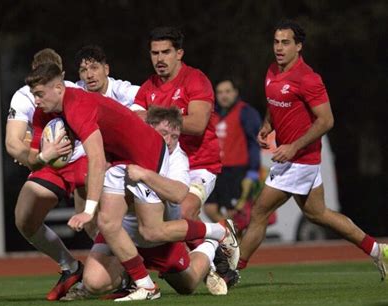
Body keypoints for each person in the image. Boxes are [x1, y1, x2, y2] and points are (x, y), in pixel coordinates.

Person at [26, 63, 238, 301]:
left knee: (152, 231)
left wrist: (87, 211)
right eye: (34, 94)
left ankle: (218, 231)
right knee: (107, 222)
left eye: (39, 94)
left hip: (144, 155)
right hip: (121, 162)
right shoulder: (50, 111)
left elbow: (95, 159)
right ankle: (145, 285)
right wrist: (46, 155)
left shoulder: (77, 107)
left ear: (58, 87)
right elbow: (33, 160)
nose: (36, 100)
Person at [236, 20, 387, 281]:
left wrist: (293, 147)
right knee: (318, 214)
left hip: (301, 160)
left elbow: (326, 120)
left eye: (285, 42)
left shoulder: (308, 78)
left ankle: (232, 272)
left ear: (299, 46)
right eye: (276, 42)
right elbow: (275, 102)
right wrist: (267, 124)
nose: (279, 48)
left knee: (259, 211)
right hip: (293, 159)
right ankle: (377, 250)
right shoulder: (272, 70)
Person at [72, 107, 227, 301]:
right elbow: (89, 181)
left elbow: (178, 194)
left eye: (175, 136)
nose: (169, 141)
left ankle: (211, 242)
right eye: (163, 133)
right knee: (94, 283)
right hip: (122, 233)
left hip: (160, 241)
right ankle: (131, 280)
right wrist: (99, 170)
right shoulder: (124, 146)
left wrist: (145, 174)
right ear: (147, 129)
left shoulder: (177, 158)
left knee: (187, 285)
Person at [5, 48, 88, 301]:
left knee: (94, 223)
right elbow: (13, 143)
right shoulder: (23, 96)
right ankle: (71, 268)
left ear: (61, 77)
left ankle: (127, 273)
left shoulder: (76, 91)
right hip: (49, 163)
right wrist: (34, 156)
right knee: (24, 218)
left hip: (83, 158)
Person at [132, 26, 222, 252]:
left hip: (200, 165)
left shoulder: (195, 80)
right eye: (155, 53)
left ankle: (214, 247)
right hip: (165, 167)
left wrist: (154, 117)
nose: (160, 59)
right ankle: (215, 250)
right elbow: (134, 122)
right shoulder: (147, 88)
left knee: (184, 210)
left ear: (179, 53)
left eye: (166, 52)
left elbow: (198, 125)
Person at [204, 78, 262, 226]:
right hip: (215, 169)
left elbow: (254, 144)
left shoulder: (246, 113)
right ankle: (230, 238)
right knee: (209, 208)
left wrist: (253, 171)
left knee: (234, 212)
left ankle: (236, 244)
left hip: (236, 170)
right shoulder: (212, 114)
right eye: (220, 92)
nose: (224, 95)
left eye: (228, 91)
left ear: (235, 93)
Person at [74, 45, 140, 108]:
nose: (89, 75)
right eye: (83, 70)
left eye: (94, 68)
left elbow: (147, 94)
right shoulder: (75, 91)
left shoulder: (122, 91)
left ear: (106, 70)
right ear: (79, 75)